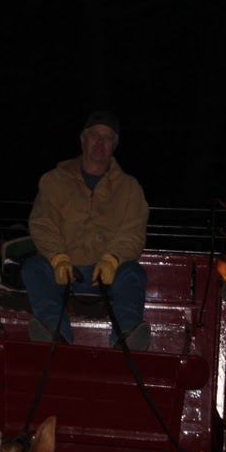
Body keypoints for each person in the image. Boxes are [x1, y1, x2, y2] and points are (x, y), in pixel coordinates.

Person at [22, 110, 150, 349]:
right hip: (64, 270)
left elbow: (133, 232)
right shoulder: (52, 181)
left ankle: (127, 337)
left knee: (134, 274)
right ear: (82, 140)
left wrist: (113, 259)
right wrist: (58, 258)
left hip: (108, 274)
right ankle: (54, 332)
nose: (100, 143)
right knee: (34, 268)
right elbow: (42, 224)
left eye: (108, 137)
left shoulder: (130, 188)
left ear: (115, 145)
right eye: (94, 135)